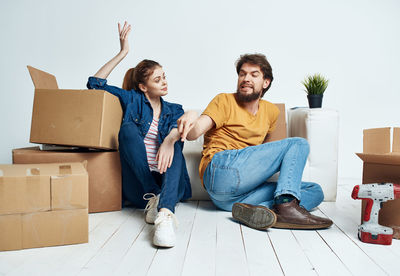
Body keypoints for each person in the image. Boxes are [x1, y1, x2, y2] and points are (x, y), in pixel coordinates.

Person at [177, 53, 332, 230]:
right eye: (242, 74)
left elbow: (270, 155)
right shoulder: (224, 100)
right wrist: (191, 116)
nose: (246, 79)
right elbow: (194, 132)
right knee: (298, 144)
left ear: (266, 82)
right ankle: (286, 209)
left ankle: (261, 211)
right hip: (220, 169)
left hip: (230, 200)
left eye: (253, 74)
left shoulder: (271, 112)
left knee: (315, 190)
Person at [86, 22, 191, 247]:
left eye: (164, 76)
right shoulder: (132, 100)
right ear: (143, 87)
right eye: (157, 80)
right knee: (127, 130)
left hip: (169, 184)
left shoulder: (175, 109)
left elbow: (180, 131)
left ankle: (164, 212)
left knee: (177, 141)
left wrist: (169, 142)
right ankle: (155, 198)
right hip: (140, 190)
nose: (164, 82)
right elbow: (94, 84)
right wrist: (123, 52)